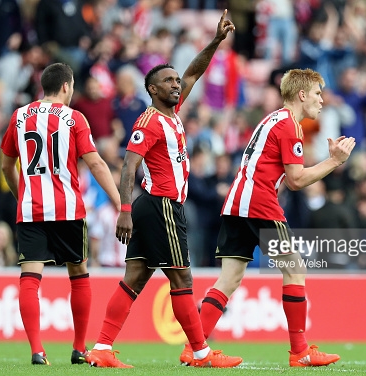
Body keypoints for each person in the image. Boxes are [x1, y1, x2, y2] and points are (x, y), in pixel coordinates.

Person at [85, 10, 242, 369]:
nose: (176, 84)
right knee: (182, 276)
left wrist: (216, 41)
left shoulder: (171, 112)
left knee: (135, 279)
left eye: (175, 81)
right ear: (152, 90)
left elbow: (193, 72)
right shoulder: (150, 121)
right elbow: (128, 165)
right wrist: (124, 209)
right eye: (168, 81)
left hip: (155, 206)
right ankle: (201, 353)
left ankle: (102, 348)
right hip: (161, 206)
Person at [180, 68, 356, 367]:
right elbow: (296, 180)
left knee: (229, 278)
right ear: (302, 95)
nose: (321, 101)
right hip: (260, 203)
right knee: (295, 269)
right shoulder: (290, 125)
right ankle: (300, 352)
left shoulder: (272, 118)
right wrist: (334, 161)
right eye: (317, 94)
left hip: (236, 203)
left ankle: (194, 351)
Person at [0, 62, 121, 365]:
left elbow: (5, 165)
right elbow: (96, 164)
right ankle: (79, 348)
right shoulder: (73, 118)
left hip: (31, 211)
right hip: (68, 209)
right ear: (67, 86)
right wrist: (120, 201)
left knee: (30, 278)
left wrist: (21, 197)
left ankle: (37, 351)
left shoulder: (18, 117)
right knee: (78, 274)